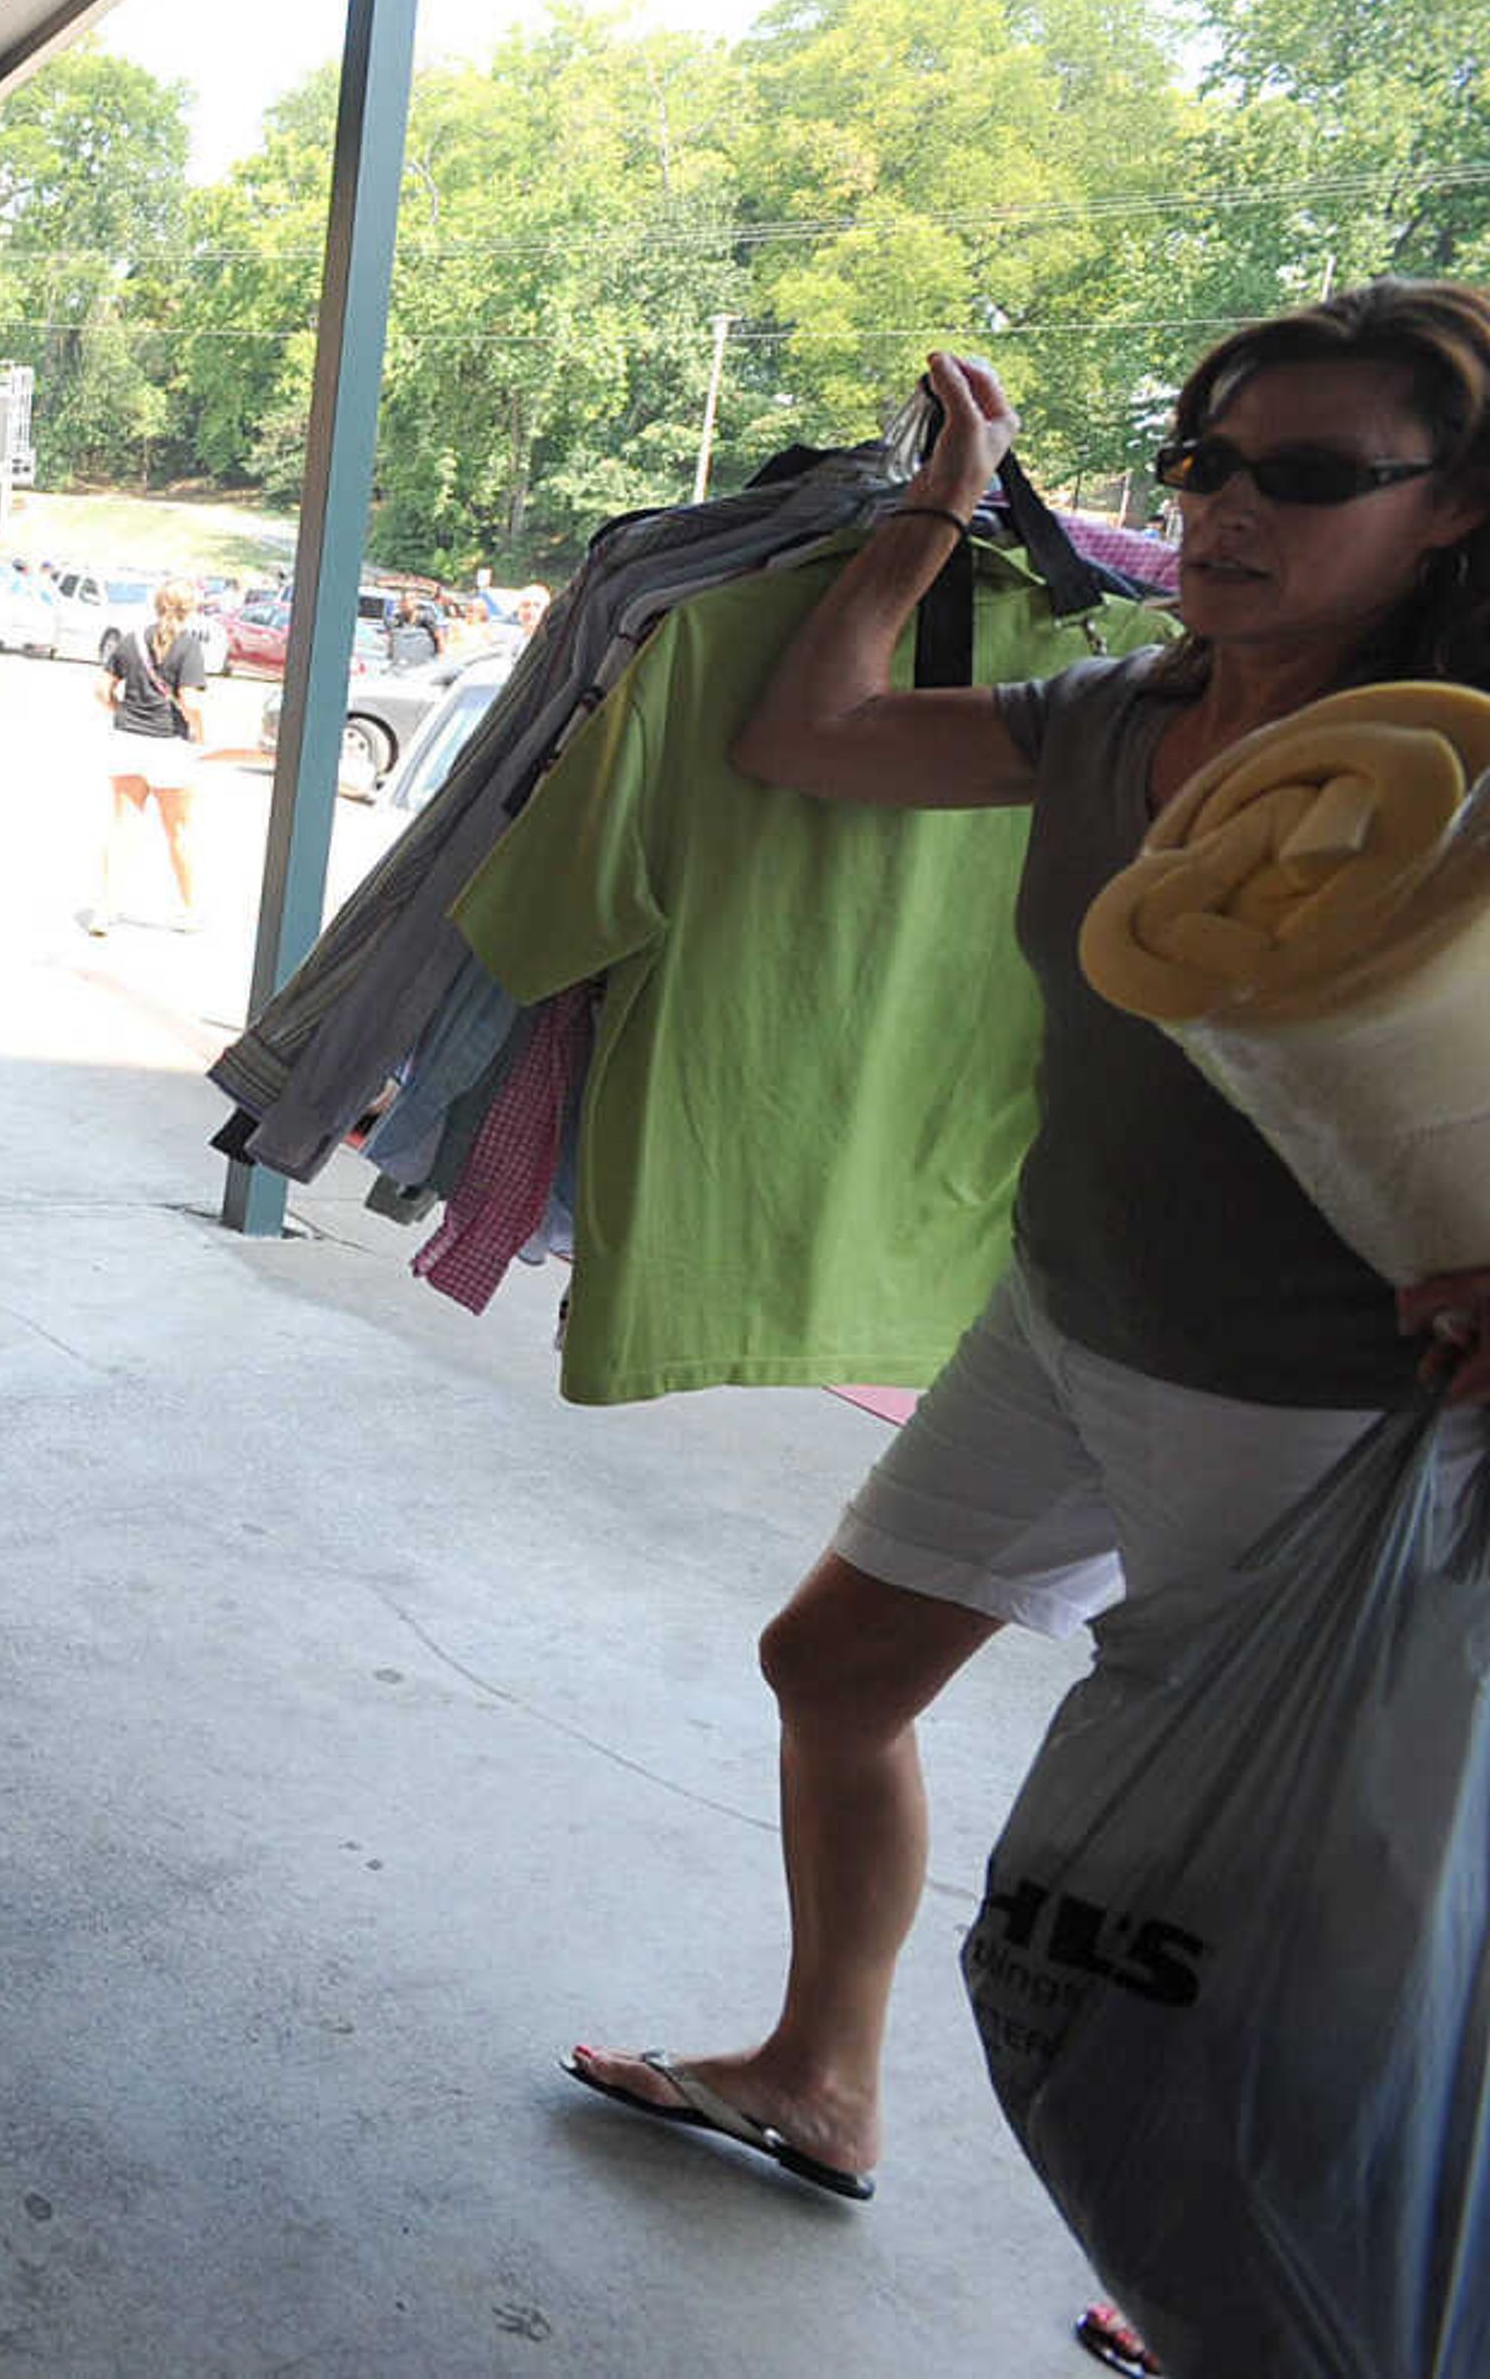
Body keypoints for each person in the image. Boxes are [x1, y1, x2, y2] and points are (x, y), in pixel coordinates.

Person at [568, 294, 1490, 2339]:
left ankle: (1258, 2261)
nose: (1238, 507)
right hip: (1070, 1315)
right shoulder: (1109, 719)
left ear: (1452, 512)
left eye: (1313, 473)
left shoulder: (1461, 773)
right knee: (834, 1663)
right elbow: (804, 736)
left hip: (1319, 1400)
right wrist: (932, 522)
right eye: (1210, 462)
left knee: (1294, 1893)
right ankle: (820, 2074)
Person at [80, 575, 214, 937]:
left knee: (122, 825)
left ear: (156, 605)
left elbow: (100, 689)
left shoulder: (130, 641)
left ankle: (105, 909)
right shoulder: (189, 648)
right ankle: (188, 910)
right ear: (191, 611)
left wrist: (120, 710)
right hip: (169, 744)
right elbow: (190, 701)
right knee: (178, 832)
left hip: (127, 740)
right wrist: (199, 729)